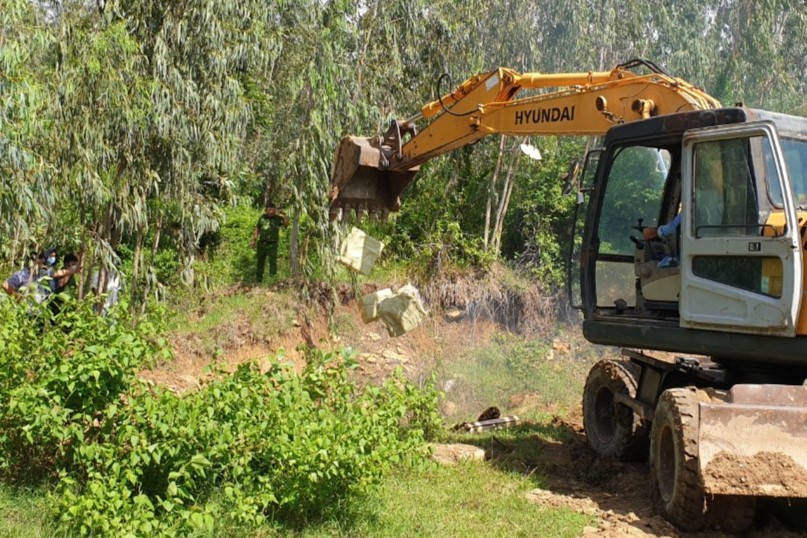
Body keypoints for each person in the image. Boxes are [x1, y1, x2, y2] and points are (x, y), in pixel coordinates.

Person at [251, 202, 289, 282]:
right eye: (269, 209)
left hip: (273, 244)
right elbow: (258, 229)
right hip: (262, 244)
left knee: (273, 263)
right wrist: (254, 240)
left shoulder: (278, 218)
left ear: (275, 210)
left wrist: (285, 214)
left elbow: (286, 224)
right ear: (266, 210)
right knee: (260, 262)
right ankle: (258, 280)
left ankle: (272, 281)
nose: (271, 211)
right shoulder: (262, 218)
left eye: (273, 209)